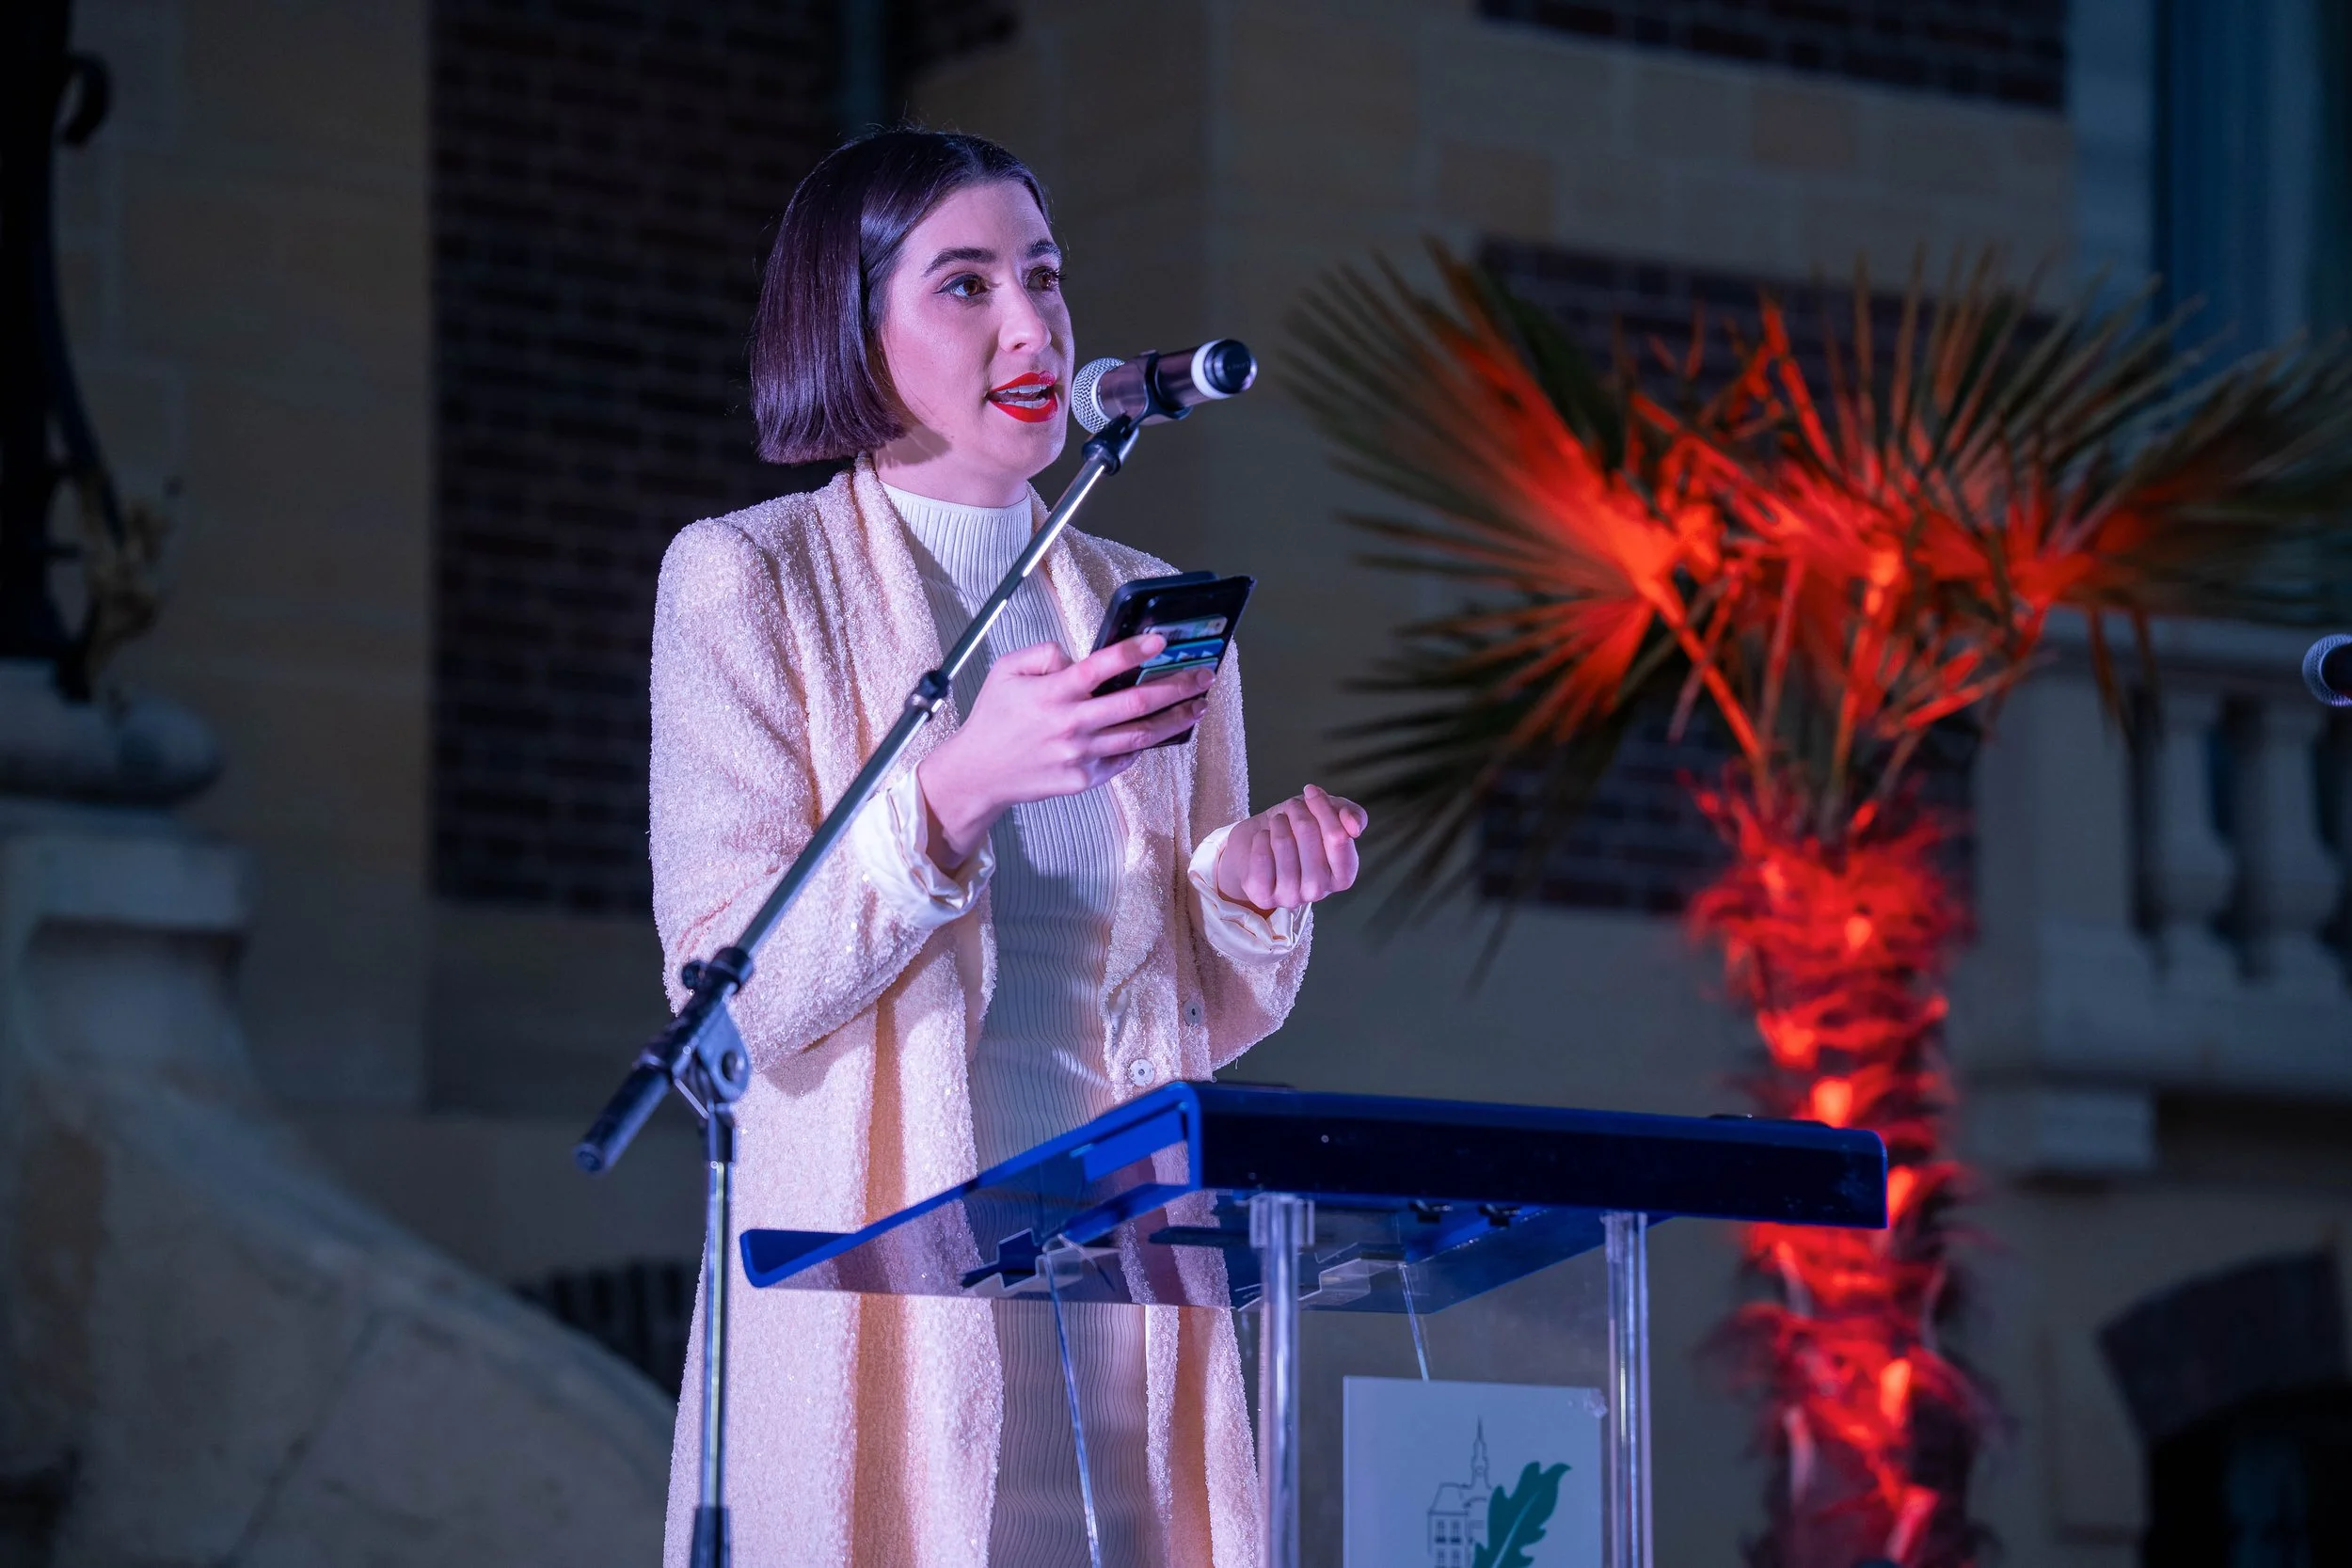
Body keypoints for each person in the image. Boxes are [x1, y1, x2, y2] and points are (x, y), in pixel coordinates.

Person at [648, 128, 1366, 1567]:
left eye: (1044, 276)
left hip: (1123, 1316)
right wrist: (953, 791)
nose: (1033, 323)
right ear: (853, 329)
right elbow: (732, 1002)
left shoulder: (1149, 606)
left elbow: (1199, 1007)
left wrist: (1241, 895)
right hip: (889, 1318)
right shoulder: (749, 584)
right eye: (965, 285)